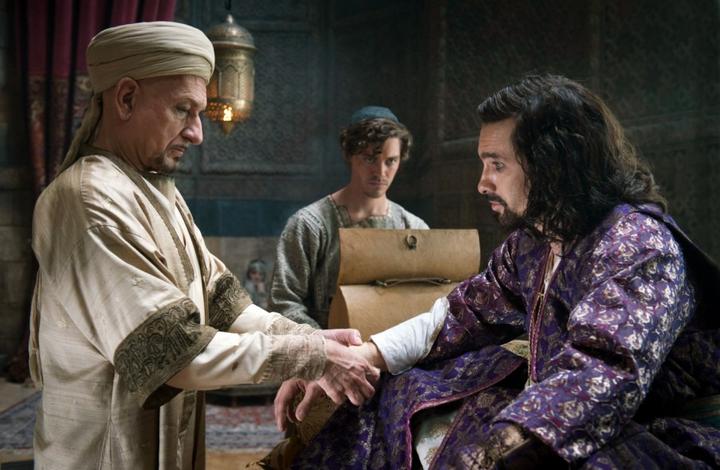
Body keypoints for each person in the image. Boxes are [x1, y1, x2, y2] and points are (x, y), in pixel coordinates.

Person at [275, 74, 720, 469]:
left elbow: (602, 372)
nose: (482, 183)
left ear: (553, 165)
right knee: (402, 387)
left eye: (497, 165)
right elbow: (461, 315)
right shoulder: (533, 242)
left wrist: (499, 447)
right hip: (563, 401)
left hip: (650, 424)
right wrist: (363, 355)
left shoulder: (638, 246)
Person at [28, 21, 379, 470]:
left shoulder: (157, 192)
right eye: (183, 110)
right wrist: (312, 357)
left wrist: (310, 340)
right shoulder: (87, 199)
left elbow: (225, 306)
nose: (197, 133)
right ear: (126, 98)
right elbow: (173, 352)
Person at [269, 106, 428, 329]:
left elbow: (424, 306)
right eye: (370, 159)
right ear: (349, 155)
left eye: (390, 161)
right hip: (326, 346)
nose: (380, 172)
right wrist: (329, 343)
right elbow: (283, 303)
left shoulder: (414, 229)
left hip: (396, 350)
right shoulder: (310, 225)